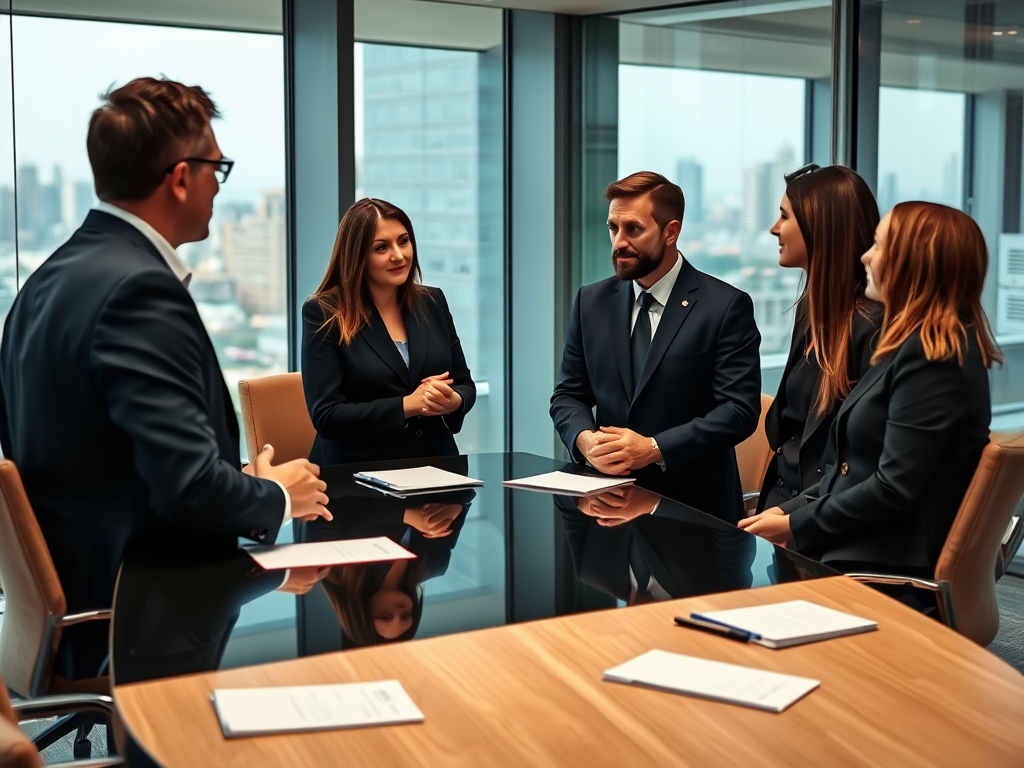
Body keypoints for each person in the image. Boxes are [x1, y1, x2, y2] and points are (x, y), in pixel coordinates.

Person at [0, 77, 330, 679]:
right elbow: (189, 490)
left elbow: (109, 455)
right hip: (138, 616)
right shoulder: (138, 289)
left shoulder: (48, 279)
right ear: (181, 177)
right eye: (216, 169)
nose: (215, 187)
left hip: (78, 597)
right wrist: (279, 497)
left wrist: (237, 481)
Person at [740, 202, 1001, 580]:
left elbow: (894, 488)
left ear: (914, 262)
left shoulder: (933, 355)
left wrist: (798, 524)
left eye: (878, 246)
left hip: (878, 569)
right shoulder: (914, 345)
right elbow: (853, 470)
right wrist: (790, 511)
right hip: (855, 549)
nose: (865, 255)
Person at [550, 171, 761, 523]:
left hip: (694, 514)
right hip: (606, 508)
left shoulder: (725, 306)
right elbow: (568, 395)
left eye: (633, 229)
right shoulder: (591, 302)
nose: (618, 242)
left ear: (671, 232)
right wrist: (585, 441)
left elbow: (738, 411)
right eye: (612, 228)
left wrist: (653, 449)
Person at [302, 198, 476, 466]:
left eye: (403, 241)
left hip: (437, 467)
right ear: (357, 255)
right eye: (381, 247)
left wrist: (453, 401)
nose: (399, 255)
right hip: (357, 478)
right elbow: (327, 416)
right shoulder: (324, 313)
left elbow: (464, 384)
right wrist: (409, 404)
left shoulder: (432, 302)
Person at [757, 164, 882, 512]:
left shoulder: (871, 325)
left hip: (817, 517)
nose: (774, 229)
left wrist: (788, 519)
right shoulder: (811, 310)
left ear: (821, 228)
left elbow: (861, 465)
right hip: (779, 504)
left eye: (784, 216)